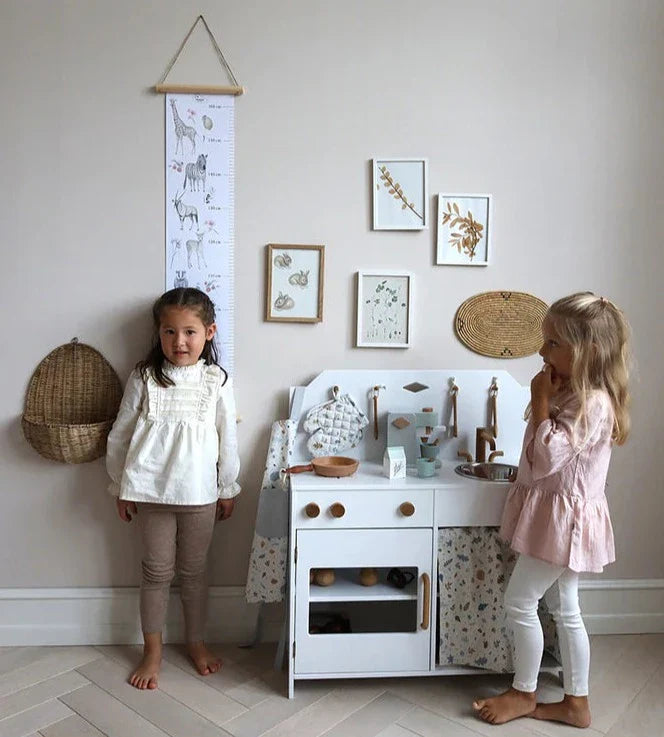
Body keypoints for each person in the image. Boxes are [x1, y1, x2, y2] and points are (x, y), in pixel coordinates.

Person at [473, 292, 631, 728]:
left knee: (520, 602)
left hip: (564, 524)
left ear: (587, 351)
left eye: (553, 343)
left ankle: (524, 692)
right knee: (565, 609)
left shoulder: (592, 402)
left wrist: (540, 396)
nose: (542, 352)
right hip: (562, 519)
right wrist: (549, 395)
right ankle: (576, 703)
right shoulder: (576, 393)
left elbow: (545, 458)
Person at [106, 287, 240, 690]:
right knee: (156, 572)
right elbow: (121, 434)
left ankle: (196, 642)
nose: (179, 341)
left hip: (200, 494)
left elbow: (228, 436)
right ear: (158, 333)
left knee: (194, 572)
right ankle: (153, 651)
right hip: (150, 492)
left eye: (189, 332)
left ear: (209, 332)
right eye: (169, 332)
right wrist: (120, 485)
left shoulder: (216, 380)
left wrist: (227, 486)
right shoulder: (144, 377)